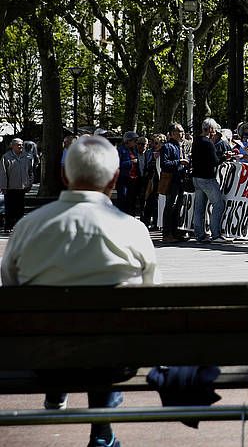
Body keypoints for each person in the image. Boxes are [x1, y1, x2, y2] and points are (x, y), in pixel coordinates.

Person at [1, 134, 158, 447]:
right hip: (113, 361)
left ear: (63, 175)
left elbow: (10, 287)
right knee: (109, 333)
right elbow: (151, 295)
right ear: (115, 178)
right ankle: (101, 430)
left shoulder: (28, 226)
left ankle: (58, 389)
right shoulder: (132, 229)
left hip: (44, 356)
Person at [191, 118, 227, 243]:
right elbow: (214, 161)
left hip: (196, 177)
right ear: (211, 129)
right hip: (207, 178)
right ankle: (216, 234)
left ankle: (199, 234)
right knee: (218, 205)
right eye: (215, 129)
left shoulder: (196, 140)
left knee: (199, 207)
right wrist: (225, 157)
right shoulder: (208, 143)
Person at [160, 123, 190, 243]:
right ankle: (167, 234)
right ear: (173, 133)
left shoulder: (180, 146)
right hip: (172, 180)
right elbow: (164, 164)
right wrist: (179, 162)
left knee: (178, 207)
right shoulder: (167, 146)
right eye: (180, 131)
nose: (182, 134)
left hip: (181, 179)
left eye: (182, 131)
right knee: (170, 207)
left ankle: (176, 232)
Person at [0, 138, 33, 232]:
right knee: (10, 208)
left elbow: (30, 171)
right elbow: (3, 173)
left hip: (22, 187)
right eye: (18, 144)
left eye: (22, 144)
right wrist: (3, 187)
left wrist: (29, 183)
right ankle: (8, 226)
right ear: (12, 146)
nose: (21, 146)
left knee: (20, 209)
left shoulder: (26, 157)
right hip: (10, 187)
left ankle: (19, 227)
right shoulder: (6, 157)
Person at [116, 131, 141, 215]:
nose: (136, 143)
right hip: (123, 179)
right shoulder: (120, 150)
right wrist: (131, 162)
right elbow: (118, 164)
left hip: (133, 179)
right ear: (128, 141)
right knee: (123, 199)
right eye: (134, 141)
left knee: (131, 200)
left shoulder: (134, 150)